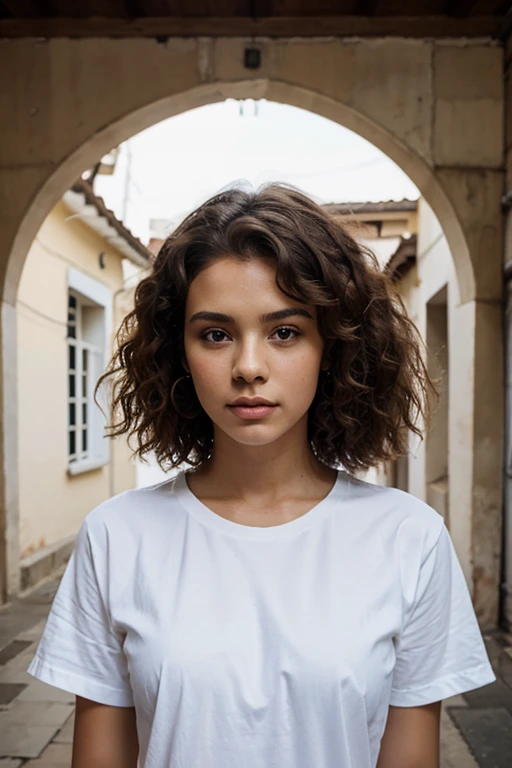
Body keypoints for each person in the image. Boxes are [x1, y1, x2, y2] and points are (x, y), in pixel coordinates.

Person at [27, 183, 495, 768]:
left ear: (334, 347)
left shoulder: (410, 539)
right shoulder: (117, 537)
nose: (249, 367)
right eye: (216, 334)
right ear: (179, 352)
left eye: (285, 332)